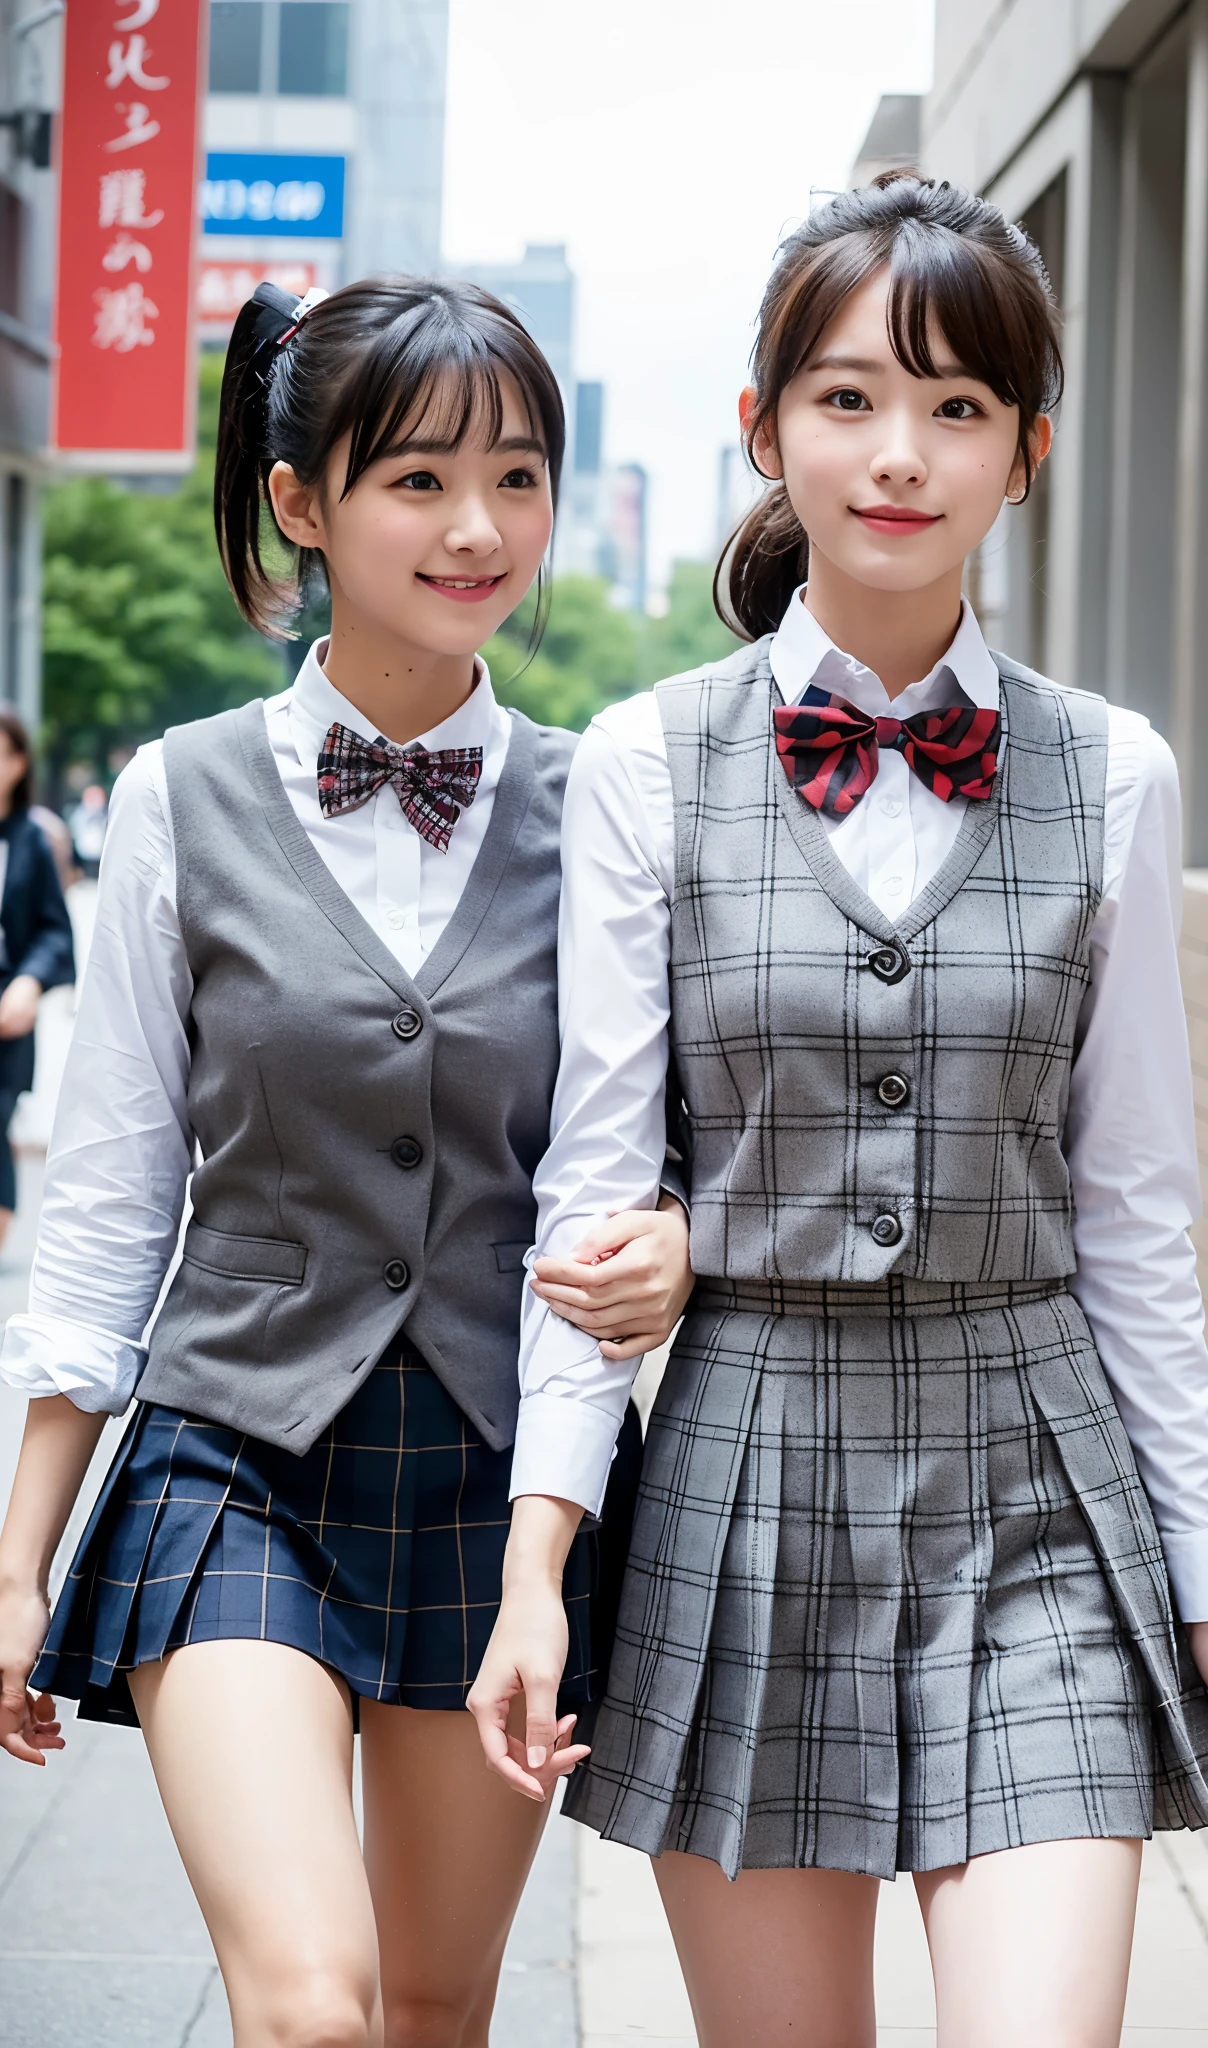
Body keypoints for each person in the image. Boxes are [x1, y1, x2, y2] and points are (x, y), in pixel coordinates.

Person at [468, 174, 1208, 2048]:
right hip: (747, 1469)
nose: (900, 453)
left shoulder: (1117, 773)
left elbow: (1137, 1217)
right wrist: (541, 1566)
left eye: (958, 407)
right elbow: (596, 1195)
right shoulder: (646, 763)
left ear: (1027, 448)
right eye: (848, 398)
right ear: (763, 427)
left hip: (1036, 1473)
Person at [0, 277, 693, 2048]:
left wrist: (678, 1232)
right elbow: (108, 1190)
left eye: (520, 476)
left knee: (435, 2005)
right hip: (233, 1446)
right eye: (419, 480)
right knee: (313, 2002)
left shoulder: (603, 804)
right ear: (301, 501)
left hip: (495, 1466)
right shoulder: (177, 791)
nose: (480, 527)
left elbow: (653, 1132)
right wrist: (17, 1549)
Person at [0, 711, 75, 1255]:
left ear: (19, 763)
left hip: (8, 1008)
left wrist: (28, 982)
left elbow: (55, 931)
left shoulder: (32, 839)